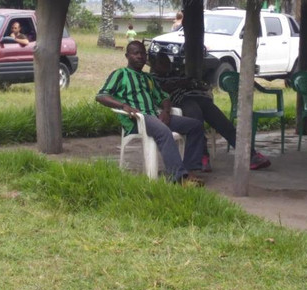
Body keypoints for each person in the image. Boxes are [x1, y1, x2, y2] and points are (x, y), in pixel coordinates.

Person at [96, 41, 207, 185]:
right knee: (164, 131)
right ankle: (179, 178)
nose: (140, 56)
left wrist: (166, 111)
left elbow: (164, 97)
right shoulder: (120, 74)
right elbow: (101, 96)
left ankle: (189, 170)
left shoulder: (149, 78)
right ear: (127, 56)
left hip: (155, 117)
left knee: (195, 126)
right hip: (137, 119)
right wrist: (123, 105)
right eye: (136, 53)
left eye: (143, 53)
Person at [148, 53, 271, 171]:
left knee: (224, 123)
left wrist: (192, 83)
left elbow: (196, 83)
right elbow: (165, 88)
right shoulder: (152, 78)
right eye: (161, 62)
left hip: (200, 99)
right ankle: (202, 157)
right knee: (196, 121)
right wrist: (184, 83)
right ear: (153, 64)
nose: (166, 65)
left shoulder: (175, 74)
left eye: (167, 62)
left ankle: (250, 155)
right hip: (183, 101)